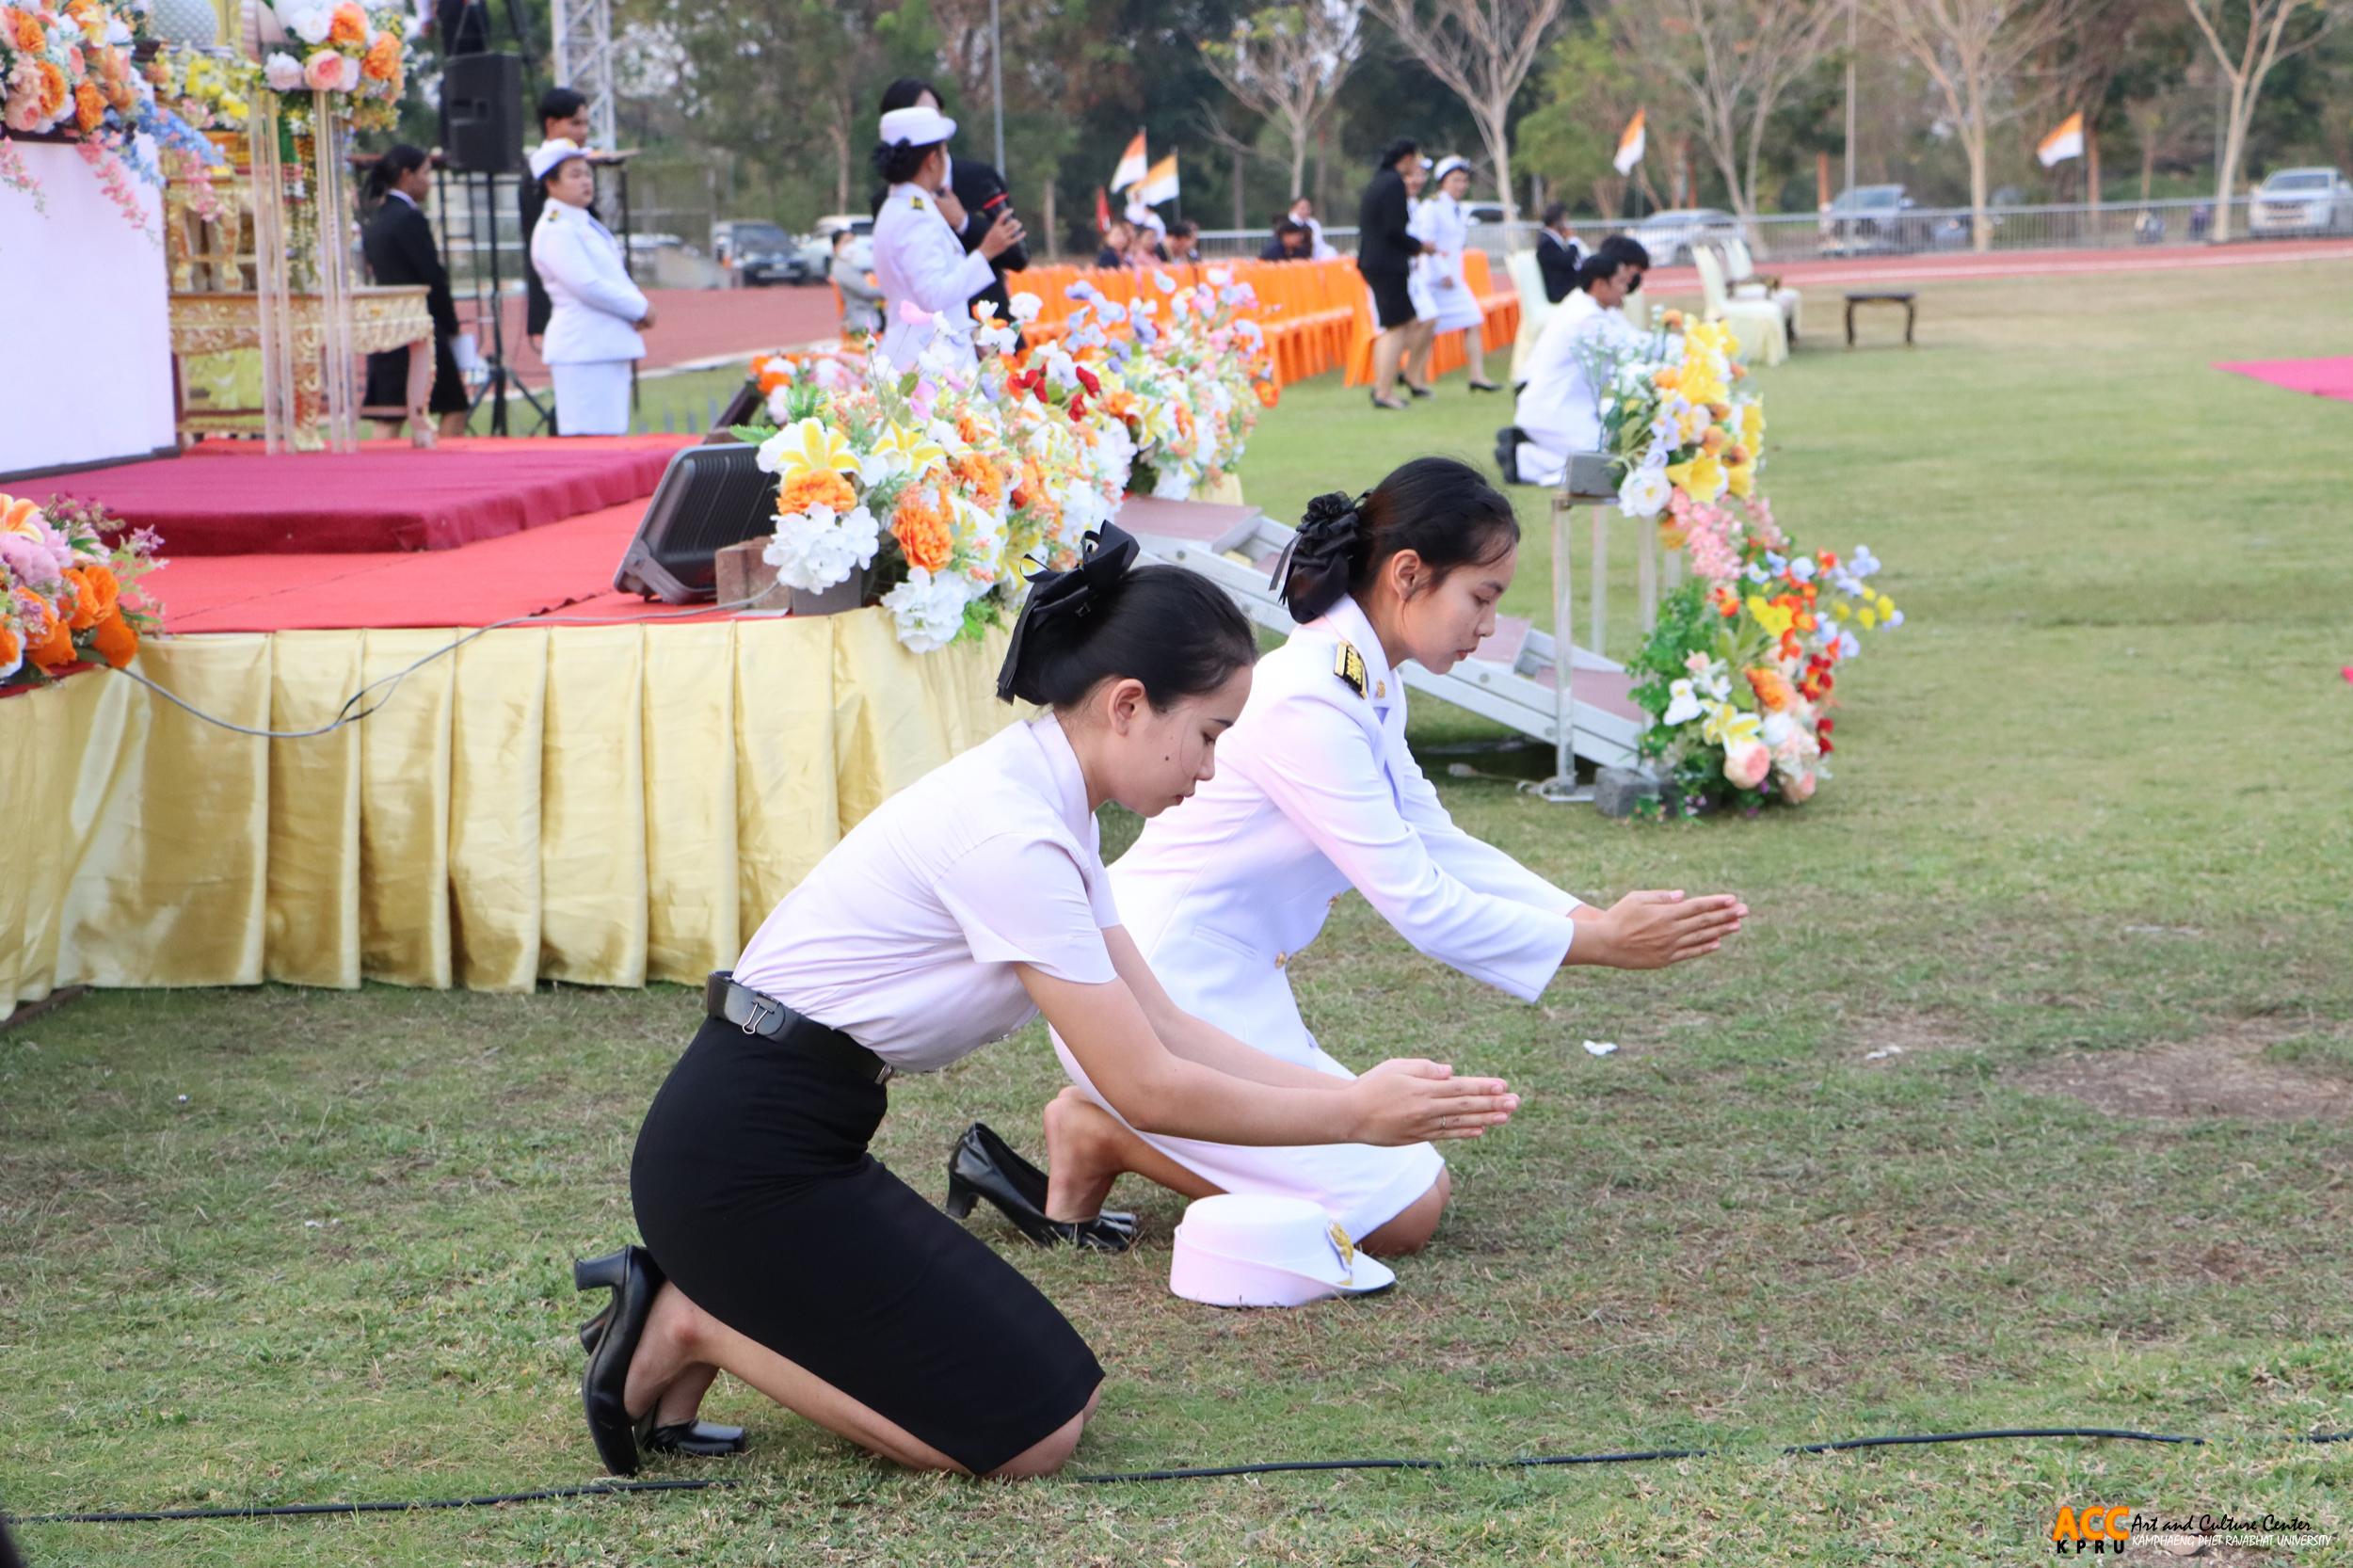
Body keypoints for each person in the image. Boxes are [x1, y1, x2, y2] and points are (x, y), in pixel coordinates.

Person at [576, 523, 1523, 1480]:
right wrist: (1354, 1116)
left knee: (1060, 1386)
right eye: (1208, 734)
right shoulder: (1015, 835)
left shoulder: (1050, 804)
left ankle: (697, 1310)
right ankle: (692, 1320)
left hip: (803, 1140)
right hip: (739, 1158)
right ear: (1127, 705)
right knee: (1030, 1439)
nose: (1211, 768)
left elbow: (1168, 1025)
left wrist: (1355, 1101)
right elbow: (1144, 1087)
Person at [1009, 462, 1742, 1253]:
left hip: (1229, 985)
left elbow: (1440, 841)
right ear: (1407, 575)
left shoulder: (1363, 683)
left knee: (1414, 1173)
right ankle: (1104, 1133)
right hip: (1161, 998)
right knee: (1402, 1213)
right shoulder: (1311, 697)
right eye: (1482, 598)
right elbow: (1419, 901)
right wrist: (1600, 946)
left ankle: (1102, 1127)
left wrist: (1592, 919)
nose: (1488, 626)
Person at [871, 104, 1025, 371]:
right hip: (928, 363)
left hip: (922, 355)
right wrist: (986, 252)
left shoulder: (898, 206)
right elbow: (933, 296)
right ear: (932, 160)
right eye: (944, 152)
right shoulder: (915, 216)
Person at [529, 138, 652, 437]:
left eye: (587, 173)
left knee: (611, 437)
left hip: (604, 343)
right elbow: (587, 285)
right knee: (589, 441)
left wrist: (637, 306)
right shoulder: (556, 228)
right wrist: (640, 308)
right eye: (574, 174)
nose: (585, 181)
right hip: (583, 347)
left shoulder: (582, 223)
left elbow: (614, 277)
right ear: (551, 183)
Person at [1506, 234, 1649, 487]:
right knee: (1601, 464)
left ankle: (1528, 455)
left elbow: (1633, 341)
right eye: (1624, 280)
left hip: (1564, 401)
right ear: (1601, 283)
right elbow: (1632, 348)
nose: (1628, 287)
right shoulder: (1586, 317)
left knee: (1612, 450)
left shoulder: (1594, 307)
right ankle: (1523, 458)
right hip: (1550, 405)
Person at [359, 144, 468, 445]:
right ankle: (446, 468)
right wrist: (451, 325)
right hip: (420, 327)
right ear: (407, 175)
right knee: (453, 405)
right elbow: (432, 276)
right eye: (426, 173)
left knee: (389, 414)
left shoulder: (376, 217)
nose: (429, 181)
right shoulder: (408, 218)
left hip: (387, 327)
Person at [1357, 138, 1433, 411]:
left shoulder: (1380, 181)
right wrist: (1419, 247)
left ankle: (1385, 384)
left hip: (1377, 261)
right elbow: (1393, 229)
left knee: (1407, 323)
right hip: (1387, 264)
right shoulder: (1393, 184)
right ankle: (1384, 391)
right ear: (1407, 158)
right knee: (1396, 328)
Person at [1414, 156, 1500, 392]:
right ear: (1442, 182)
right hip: (1434, 278)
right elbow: (1427, 242)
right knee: (1427, 331)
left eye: (1464, 180)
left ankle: (1477, 376)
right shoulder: (1431, 207)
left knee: (1473, 320)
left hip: (1453, 278)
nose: (1461, 185)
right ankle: (1417, 379)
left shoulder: (1457, 209)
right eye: (1455, 180)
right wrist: (1441, 272)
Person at [521, 87, 595, 357]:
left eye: (586, 123)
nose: (583, 131)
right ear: (551, 124)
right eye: (575, 123)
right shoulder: (537, 177)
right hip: (562, 301)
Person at [831, 229, 884, 340]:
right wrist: (889, 291)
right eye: (846, 242)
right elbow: (866, 291)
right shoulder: (842, 268)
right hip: (861, 320)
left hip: (865, 317)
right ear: (835, 247)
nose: (851, 246)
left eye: (852, 242)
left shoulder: (850, 265)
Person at [1534, 202, 1584, 305]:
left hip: (1566, 284)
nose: (1567, 224)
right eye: (1565, 220)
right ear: (1557, 221)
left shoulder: (1551, 239)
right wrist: (1573, 241)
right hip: (1561, 290)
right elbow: (1566, 261)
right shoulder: (1546, 242)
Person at [1289, 195, 1336, 259]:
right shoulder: (1289, 223)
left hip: (1316, 255)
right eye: (1302, 208)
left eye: (1308, 208)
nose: (1306, 211)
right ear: (1294, 208)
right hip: (1298, 256)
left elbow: (1319, 243)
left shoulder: (1314, 223)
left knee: (1331, 251)